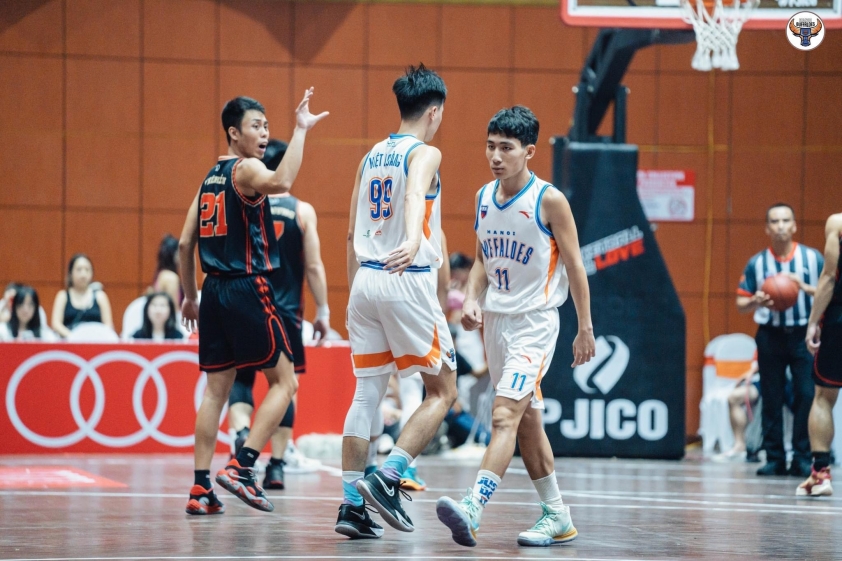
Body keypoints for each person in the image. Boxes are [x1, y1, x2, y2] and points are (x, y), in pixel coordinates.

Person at [435, 106, 595, 548]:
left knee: (504, 414)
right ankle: (557, 515)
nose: (495, 156)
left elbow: (576, 266)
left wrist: (585, 327)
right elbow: (482, 259)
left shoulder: (549, 200)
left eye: (506, 148)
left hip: (535, 323)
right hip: (497, 324)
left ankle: (473, 507)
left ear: (529, 151)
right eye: (490, 146)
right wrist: (471, 299)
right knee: (527, 423)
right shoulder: (484, 197)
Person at [180, 90, 327, 515]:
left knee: (216, 392)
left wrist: (190, 296)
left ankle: (200, 488)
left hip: (212, 292)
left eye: (267, 126)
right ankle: (243, 467)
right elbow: (281, 183)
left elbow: (186, 243)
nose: (264, 134)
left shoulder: (209, 178)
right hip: (247, 287)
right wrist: (301, 130)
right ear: (234, 133)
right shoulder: (246, 169)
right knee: (286, 383)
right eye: (256, 126)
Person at [334, 64, 458, 540]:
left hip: (365, 281)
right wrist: (411, 239)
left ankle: (351, 507)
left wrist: (355, 295)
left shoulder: (369, 156)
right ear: (434, 111)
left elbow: (351, 232)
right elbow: (414, 194)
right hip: (406, 276)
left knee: (366, 393)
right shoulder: (425, 151)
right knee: (443, 391)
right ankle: (389, 477)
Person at [226, 138, 331, 490]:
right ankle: (277, 465)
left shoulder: (242, 203)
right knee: (285, 385)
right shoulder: (302, 211)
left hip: (245, 304)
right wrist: (323, 310)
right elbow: (314, 266)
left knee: (241, 380)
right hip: (285, 313)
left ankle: (241, 433)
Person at [736, 203, 823, 477]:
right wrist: (755, 300)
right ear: (767, 228)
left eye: (786, 220)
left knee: (806, 395)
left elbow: (829, 292)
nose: (781, 226)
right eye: (775, 221)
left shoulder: (813, 259)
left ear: (794, 225)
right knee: (771, 397)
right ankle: (774, 458)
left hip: (803, 334)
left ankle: (802, 458)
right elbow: (740, 303)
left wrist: (803, 287)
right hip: (770, 335)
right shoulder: (757, 263)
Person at [798, 212, 842, 496]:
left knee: (824, 397)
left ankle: (820, 474)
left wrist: (813, 322)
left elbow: (828, 276)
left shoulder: (838, 223)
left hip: (838, 319)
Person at [51, 254, 114, 338]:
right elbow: (56, 324)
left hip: (96, 341)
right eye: (79, 270)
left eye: (87, 270)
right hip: (69, 341)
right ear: (70, 273)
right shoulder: (63, 296)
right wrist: (73, 337)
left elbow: (108, 325)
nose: (83, 274)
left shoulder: (100, 296)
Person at [152, 234, 181, 307]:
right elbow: (174, 308)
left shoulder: (162, 273)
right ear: (173, 255)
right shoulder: (171, 277)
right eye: (179, 253)